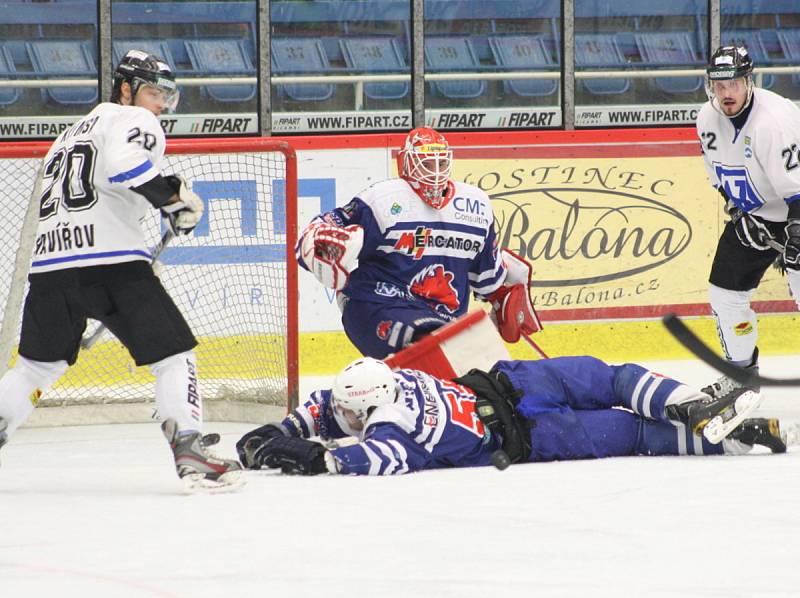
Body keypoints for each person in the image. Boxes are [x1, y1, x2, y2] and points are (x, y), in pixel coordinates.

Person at [0, 50, 241, 491]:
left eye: (168, 97)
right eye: (153, 93)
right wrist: (172, 198)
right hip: (111, 265)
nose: (161, 106)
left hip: (50, 268)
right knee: (173, 356)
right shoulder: (134, 120)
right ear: (125, 89)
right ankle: (190, 450)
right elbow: (124, 166)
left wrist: (166, 204)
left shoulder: (68, 134)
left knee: (35, 369)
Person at [235, 356, 797, 476]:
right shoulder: (384, 377)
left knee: (635, 435)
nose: (342, 418)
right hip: (519, 384)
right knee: (616, 380)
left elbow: (373, 455)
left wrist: (318, 458)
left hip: (534, 431)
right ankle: (724, 425)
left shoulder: (388, 426)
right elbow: (330, 410)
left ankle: (714, 427)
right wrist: (284, 433)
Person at [295, 126, 540, 359]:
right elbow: (328, 227)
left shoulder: (476, 206)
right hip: (377, 304)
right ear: (406, 163)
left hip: (443, 320)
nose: (434, 171)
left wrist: (505, 299)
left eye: (441, 163)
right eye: (425, 163)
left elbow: (488, 280)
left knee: (469, 371)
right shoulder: (382, 199)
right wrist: (319, 241)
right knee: (424, 339)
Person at [696, 45, 800, 398]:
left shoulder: (773, 122)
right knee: (725, 295)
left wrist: (796, 237)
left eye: (734, 84)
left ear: (748, 81)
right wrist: (740, 211)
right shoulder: (706, 119)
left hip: (797, 213)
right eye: (719, 85)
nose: (726, 93)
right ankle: (740, 379)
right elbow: (720, 176)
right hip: (757, 216)